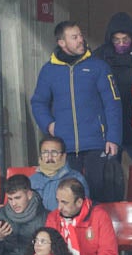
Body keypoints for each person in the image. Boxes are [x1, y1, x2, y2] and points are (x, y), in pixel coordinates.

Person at [30, 20, 122, 202]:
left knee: (98, 195)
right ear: (62, 43)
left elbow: (113, 103)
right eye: (74, 37)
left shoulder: (99, 67)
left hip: (97, 143)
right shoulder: (49, 71)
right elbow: (38, 102)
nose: (81, 40)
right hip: (65, 146)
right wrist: (49, 125)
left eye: (80, 35)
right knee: (69, 196)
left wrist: (113, 137)